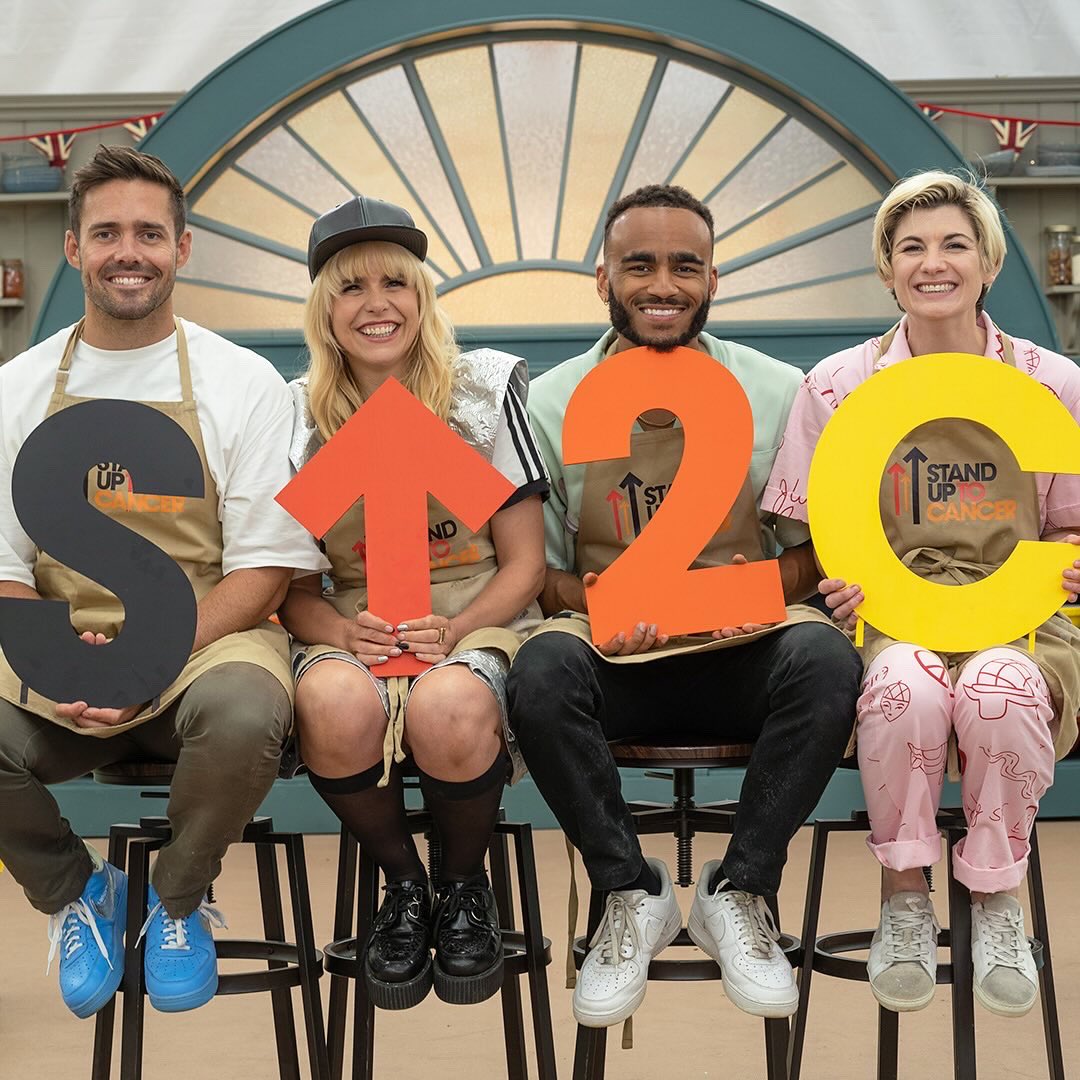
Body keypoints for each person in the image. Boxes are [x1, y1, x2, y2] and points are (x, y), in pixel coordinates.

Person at [506, 183, 863, 1029]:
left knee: (825, 660)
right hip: (617, 655)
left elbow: (820, 554)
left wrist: (752, 595)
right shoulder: (550, 402)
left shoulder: (782, 391)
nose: (662, 283)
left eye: (684, 265)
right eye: (639, 264)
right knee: (539, 667)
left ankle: (741, 892)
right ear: (603, 277)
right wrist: (597, 605)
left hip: (744, 651)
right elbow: (535, 574)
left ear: (714, 278)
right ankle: (630, 892)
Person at [0, 145, 325, 1018]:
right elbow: (1, 571)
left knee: (250, 712)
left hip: (201, 639)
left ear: (183, 249)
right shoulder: (15, 391)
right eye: (106, 233)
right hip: (59, 644)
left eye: (149, 232)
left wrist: (140, 661)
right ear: (72, 249)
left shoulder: (244, 383)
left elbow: (261, 569)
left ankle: (177, 901)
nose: (127, 251)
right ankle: (81, 894)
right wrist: (69, 663)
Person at [765, 169, 1080, 1018]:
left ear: (987, 262)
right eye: (911, 247)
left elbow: (1075, 525)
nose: (932, 263)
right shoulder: (836, 385)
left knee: (997, 689)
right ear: (887, 266)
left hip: (1024, 622)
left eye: (953, 244)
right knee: (904, 688)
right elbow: (804, 533)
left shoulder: (1054, 382)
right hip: (890, 621)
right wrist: (833, 585)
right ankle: (905, 898)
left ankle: (997, 897)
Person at [278, 195, 548, 1009]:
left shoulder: (481, 390)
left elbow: (526, 562)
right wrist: (340, 632)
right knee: (326, 698)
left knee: (452, 704)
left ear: (422, 297)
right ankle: (404, 888)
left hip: (477, 613)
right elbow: (291, 590)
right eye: (352, 288)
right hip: (357, 622)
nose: (376, 305)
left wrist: (460, 628)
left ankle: (464, 886)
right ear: (325, 309)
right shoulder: (296, 414)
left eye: (395, 283)